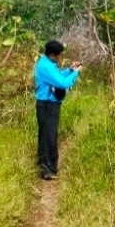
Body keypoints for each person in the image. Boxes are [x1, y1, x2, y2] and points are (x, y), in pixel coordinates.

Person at [34, 40, 81, 180]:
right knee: (48, 137)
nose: (60, 58)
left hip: (49, 105)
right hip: (47, 105)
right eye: (59, 56)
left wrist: (70, 70)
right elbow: (63, 83)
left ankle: (50, 167)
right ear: (53, 55)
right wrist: (76, 73)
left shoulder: (48, 63)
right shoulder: (45, 66)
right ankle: (46, 170)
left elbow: (58, 75)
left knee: (49, 136)